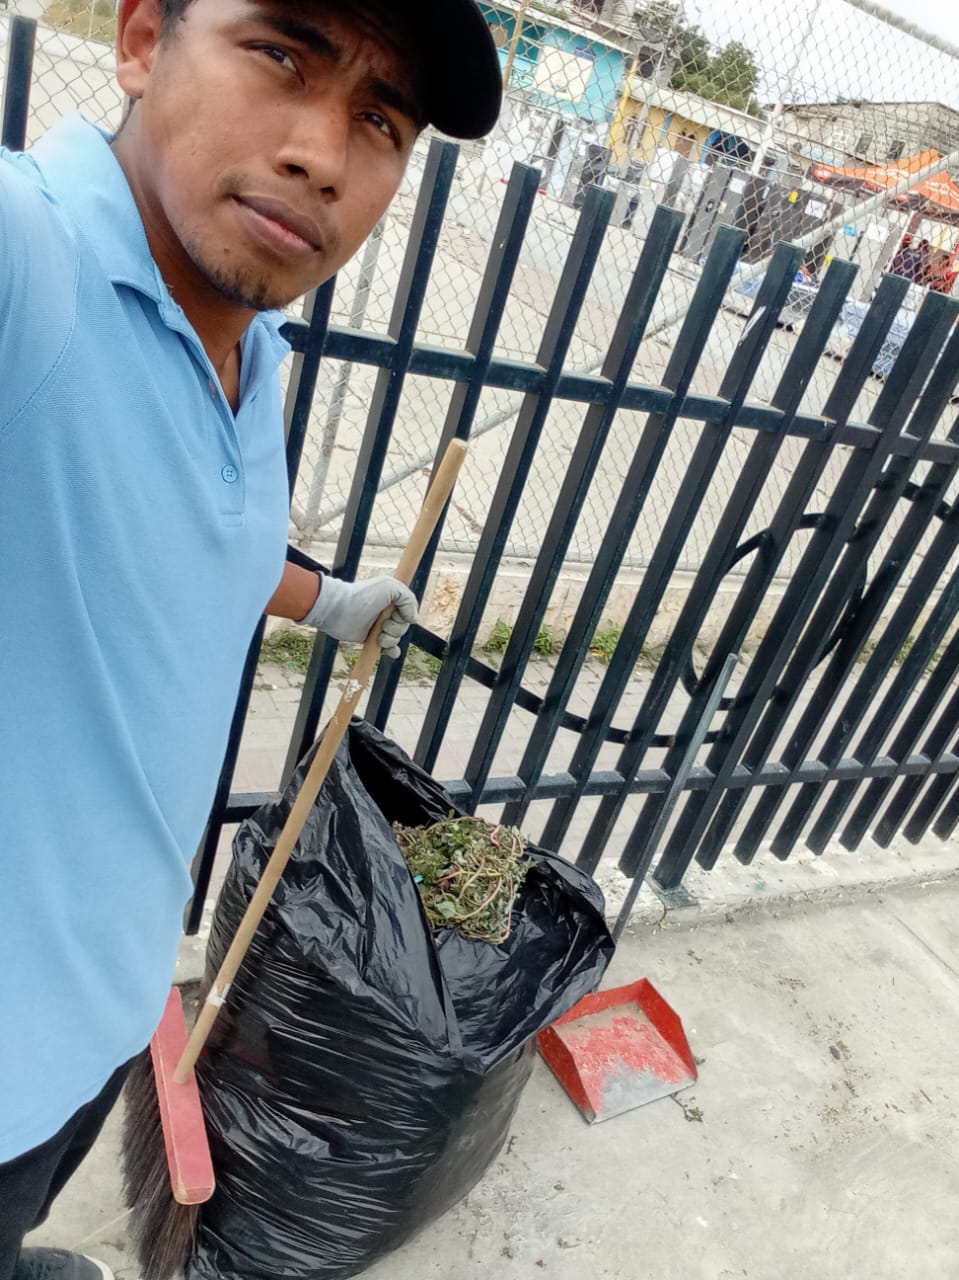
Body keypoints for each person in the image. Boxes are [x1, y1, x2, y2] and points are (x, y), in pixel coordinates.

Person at [0, 3, 501, 1277]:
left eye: (378, 120)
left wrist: (322, 599)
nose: (322, 154)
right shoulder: (34, 260)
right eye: (280, 54)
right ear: (139, 41)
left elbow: (176, 529)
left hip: (110, 1001)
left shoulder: (247, 343)